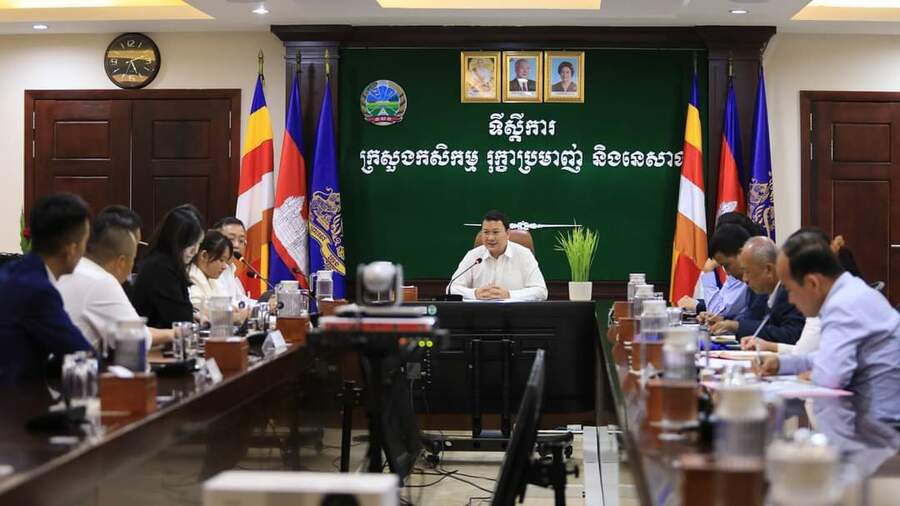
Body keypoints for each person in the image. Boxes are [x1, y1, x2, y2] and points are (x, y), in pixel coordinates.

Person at [755, 229, 900, 421]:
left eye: (790, 289)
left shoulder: (845, 305)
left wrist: (817, 372)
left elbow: (831, 377)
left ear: (813, 283)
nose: (790, 299)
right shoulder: (846, 293)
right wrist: (783, 364)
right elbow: (830, 357)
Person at [0, 193, 93, 384]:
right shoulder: (37, 290)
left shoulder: (13, 271)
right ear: (71, 249)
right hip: (13, 399)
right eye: (85, 242)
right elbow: (80, 354)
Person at [58, 206, 174, 352]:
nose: (132, 267)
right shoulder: (101, 282)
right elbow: (136, 337)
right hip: (75, 365)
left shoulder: (74, 269)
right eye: (133, 259)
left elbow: (133, 328)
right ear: (121, 262)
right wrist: (175, 334)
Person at [711, 236, 804, 343]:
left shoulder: (789, 292)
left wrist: (738, 326)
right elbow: (766, 325)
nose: (745, 279)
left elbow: (791, 335)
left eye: (747, 272)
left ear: (768, 269)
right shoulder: (771, 290)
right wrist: (728, 322)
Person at [449, 210, 547, 301]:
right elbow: (451, 288)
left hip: (515, 312)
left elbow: (541, 292)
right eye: (486, 232)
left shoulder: (524, 255)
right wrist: (475, 293)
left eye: (495, 232)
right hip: (481, 312)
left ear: (507, 233)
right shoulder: (473, 256)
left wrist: (509, 295)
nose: (490, 238)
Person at [132, 206, 204, 329]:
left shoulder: (168, 263)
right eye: (191, 244)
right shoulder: (159, 268)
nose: (195, 251)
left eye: (199, 243)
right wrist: (191, 316)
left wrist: (193, 315)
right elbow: (180, 319)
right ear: (175, 240)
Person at [189, 230, 250, 323]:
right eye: (221, 260)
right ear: (204, 256)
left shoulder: (212, 279)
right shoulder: (190, 278)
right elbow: (198, 309)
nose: (225, 266)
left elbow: (228, 307)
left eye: (225, 261)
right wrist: (235, 317)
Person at [212, 217, 254, 308]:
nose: (236, 245)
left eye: (241, 241)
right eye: (231, 239)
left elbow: (241, 300)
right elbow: (224, 304)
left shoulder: (231, 269)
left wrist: (266, 304)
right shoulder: (211, 270)